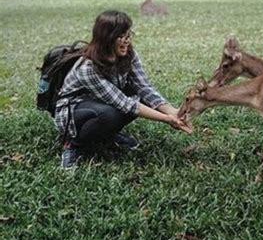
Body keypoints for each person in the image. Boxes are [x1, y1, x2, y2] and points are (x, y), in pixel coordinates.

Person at [55, 10, 191, 169]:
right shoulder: (88, 67)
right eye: (121, 37)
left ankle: (107, 135)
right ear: (106, 39)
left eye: (128, 35)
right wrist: (166, 119)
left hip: (103, 101)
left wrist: (172, 111)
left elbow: (144, 87)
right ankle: (73, 145)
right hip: (74, 111)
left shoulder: (129, 54)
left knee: (138, 97)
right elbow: (125, 104)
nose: (127, 41)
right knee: (109, 114)